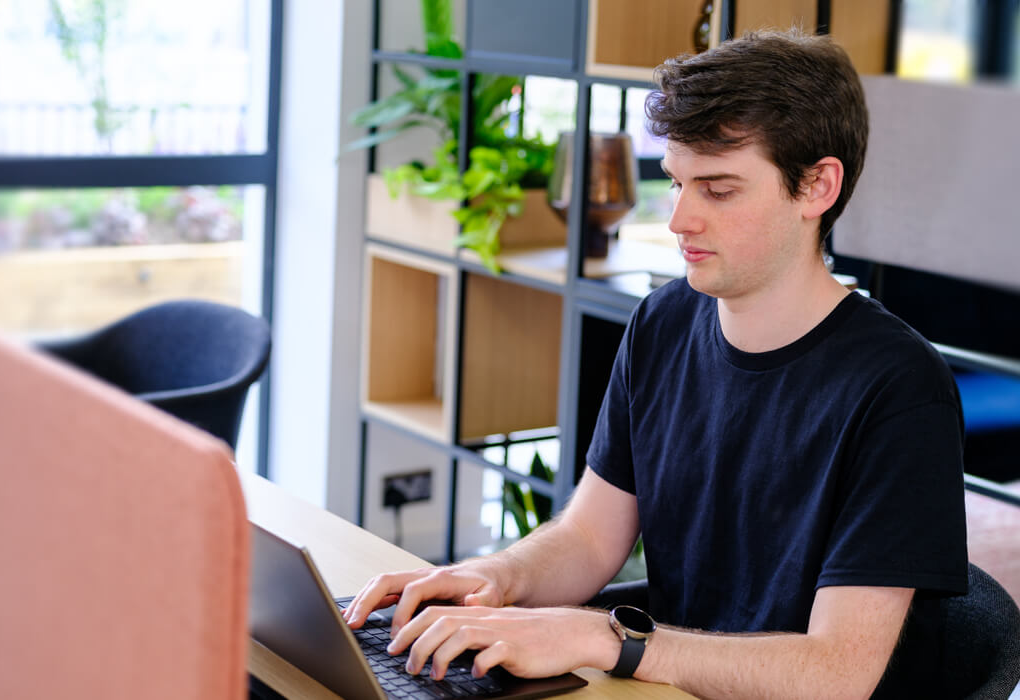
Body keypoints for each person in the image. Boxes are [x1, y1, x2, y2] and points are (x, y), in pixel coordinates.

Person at [343, 29, 968, 699]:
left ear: (817, 186)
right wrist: (498, 576)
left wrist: (605, 638)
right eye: (675, 183)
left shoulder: (900, 389)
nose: (678, 220)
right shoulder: (664, 322)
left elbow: (837, 673)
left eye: (718, 191)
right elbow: (588, 537)